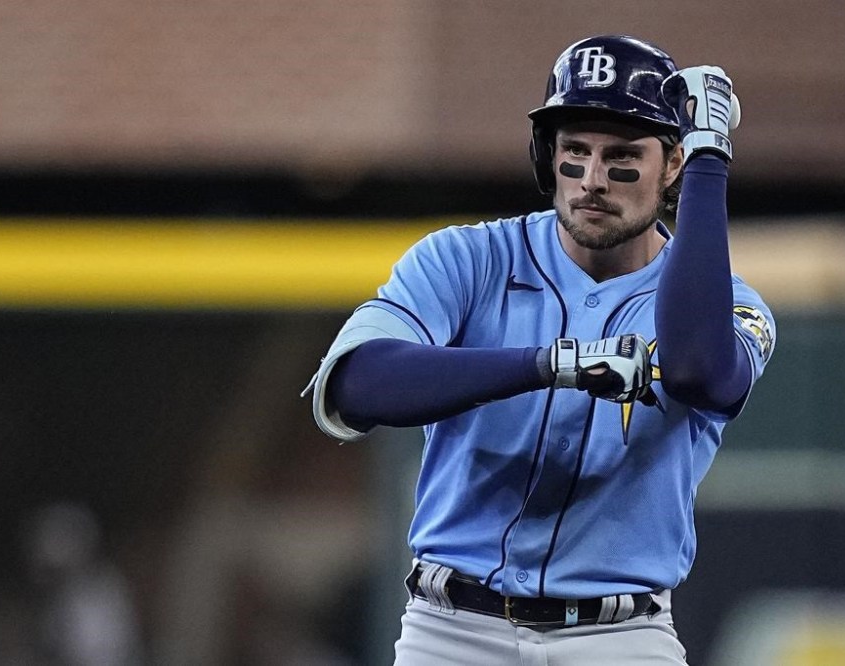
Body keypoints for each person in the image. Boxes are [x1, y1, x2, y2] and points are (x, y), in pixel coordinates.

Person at [303, 34, 776, 665]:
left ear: (672, 167)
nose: (593, 179)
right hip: (452, 631)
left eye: (623, 155)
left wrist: (712, 155)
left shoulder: (727, 304)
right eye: (574, 150)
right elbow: (357, 385)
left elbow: (698, 370)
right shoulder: (467, 257)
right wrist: (552, 365)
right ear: (545, 155)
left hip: (619, 636)